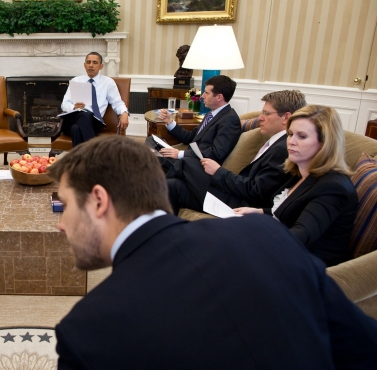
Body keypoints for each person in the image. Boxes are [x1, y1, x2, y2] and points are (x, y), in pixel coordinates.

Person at [0, 136, 377, 370]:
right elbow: (366, 357)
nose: (60, 225)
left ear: (98, 200)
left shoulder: (91, 327)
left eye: (64, 207)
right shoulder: (264, 234)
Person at [235, 105, 358, 266]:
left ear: (324, 143)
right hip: (286, 251)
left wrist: (250, 242)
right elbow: (293, 212)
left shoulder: (333, 187)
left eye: (302, 136)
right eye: (290, 134)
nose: (291, 142)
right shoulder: (301, 172)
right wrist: (258, 211)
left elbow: (301, 234)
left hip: (308, 266)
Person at [167, 90, 307, 214]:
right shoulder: (278, 142)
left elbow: (256, 191)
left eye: (266, 113)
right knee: (172, 185)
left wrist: (218, 171)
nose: (260, 118)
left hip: (240, 204)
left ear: (286, 117)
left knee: (185, 163)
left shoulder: (284, 148)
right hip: (235, 193)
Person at [145, 74, 241, 175]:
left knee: (152, 158)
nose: (203, 96)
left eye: (207, 93)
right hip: (187, 158)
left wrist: (180, 154)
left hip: (195, 167)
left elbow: (216, 153)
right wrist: (169, 121)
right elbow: (190, 137)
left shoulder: (230, 119)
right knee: (152, 140)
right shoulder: (211, 114)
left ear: (219, 97)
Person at [59, 52, 129, 147]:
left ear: (101, 66)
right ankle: (95, 153)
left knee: (76, 128)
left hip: (94, 123)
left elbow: (117, 102)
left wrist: (124, 113)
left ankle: (82, 160)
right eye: (88, 62)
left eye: (95, 62)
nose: (91, 65)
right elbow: (64, 104)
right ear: (84, 65)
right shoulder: (76, 81)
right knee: (84, 115)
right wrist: (73, 107)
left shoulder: (108, 83)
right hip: (73, 119)